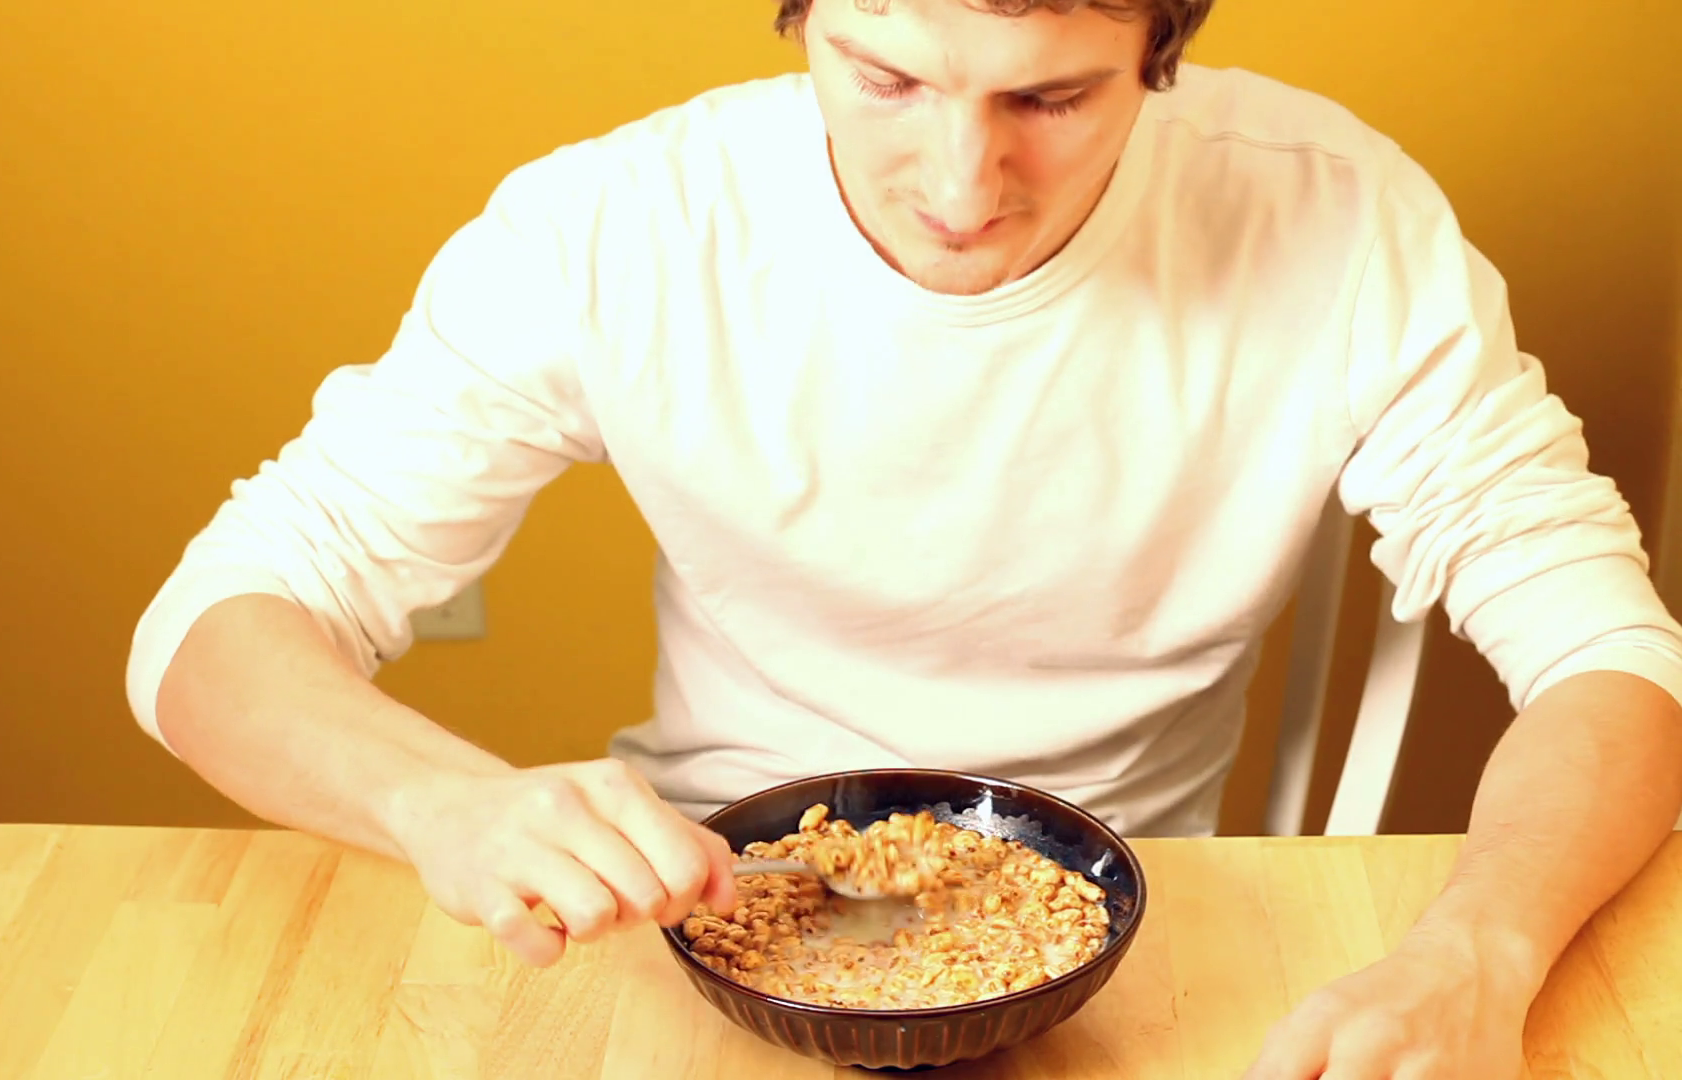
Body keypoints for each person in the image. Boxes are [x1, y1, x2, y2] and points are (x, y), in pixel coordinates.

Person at [125, 0, 1682, 1075]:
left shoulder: (1341, 225)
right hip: (702, 923)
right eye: (885, 78)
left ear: (1162, 47)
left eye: (1051, 97)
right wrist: (440, 805)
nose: (958, 189)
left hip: (1162, 934)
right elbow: (217, 625)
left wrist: (1477, 954)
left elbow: (1614, 655)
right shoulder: (617, 230)